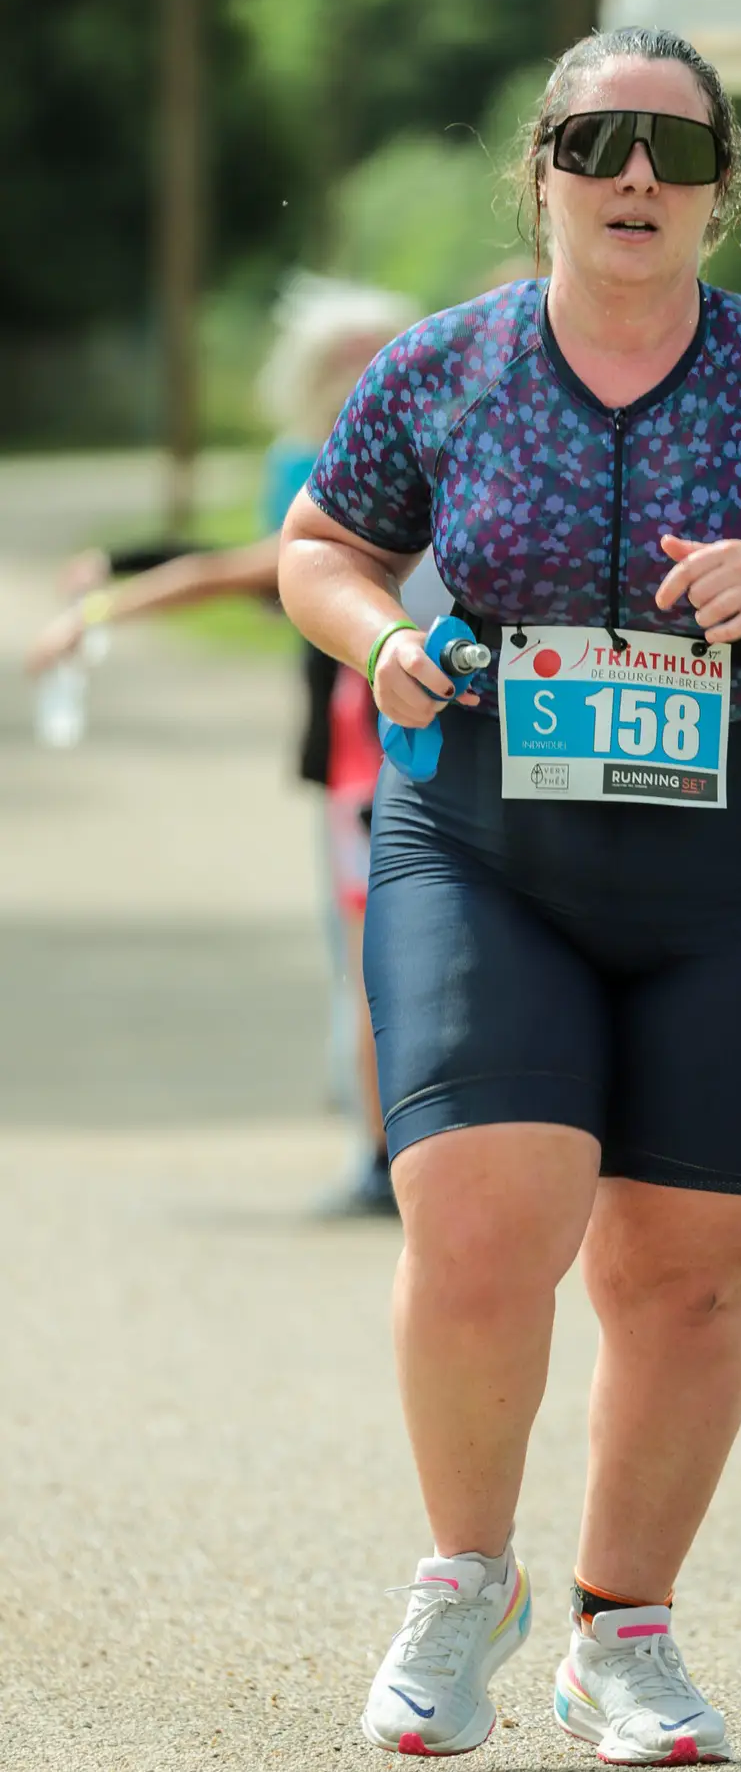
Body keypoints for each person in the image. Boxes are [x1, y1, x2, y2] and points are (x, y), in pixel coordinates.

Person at [278, 25, 741, 1768]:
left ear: (723, 187)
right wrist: (384, 640)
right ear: (542, 175)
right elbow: (319, 546)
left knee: (684, 1274)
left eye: (672, 150)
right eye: (597, 147)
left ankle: (623, 1634)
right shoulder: (441, 368)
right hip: (485, 838)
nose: (634, 179)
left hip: (730, 862)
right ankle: (460, 1587)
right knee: (480, 1216)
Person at [25, 275, 428, 1217]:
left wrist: (104, 603)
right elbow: (245, 561)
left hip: (401, 752)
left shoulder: (424, 467)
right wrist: (115, 581)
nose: (367, 369)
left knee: (382, 966)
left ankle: (393, 1158)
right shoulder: (321, 470)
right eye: (349, 356)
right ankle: (386, 1153)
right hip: (359, 754)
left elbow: (231, 568)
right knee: (371, 965)